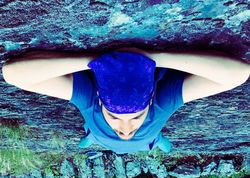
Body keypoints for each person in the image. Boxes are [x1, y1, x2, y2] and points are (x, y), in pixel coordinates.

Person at [2, 48, 250, 154]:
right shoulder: (162, 106)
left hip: (115, 136)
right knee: (155, 141)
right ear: (100, 100)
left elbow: (13, 74)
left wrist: (155, 58)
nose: (125, 130)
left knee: (93, 138)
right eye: (114, 116)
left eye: (135, 116)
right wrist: (97, 61)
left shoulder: (88, 101)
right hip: (147, 137)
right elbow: (238, 73)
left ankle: (90, 138)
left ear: (151, 100)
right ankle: (92, 138)